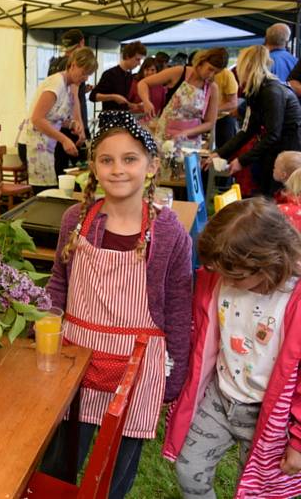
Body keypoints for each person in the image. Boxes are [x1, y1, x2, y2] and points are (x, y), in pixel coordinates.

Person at [39, 110, 193, 499]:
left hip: (137, 369)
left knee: (114, 471)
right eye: (106, 160)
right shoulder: (77, 219)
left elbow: (177, 306)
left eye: (130, 159)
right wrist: (43, 325)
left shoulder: (168, 230)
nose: (118, 169)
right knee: (59, 460)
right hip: (76, 355)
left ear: (152, 165)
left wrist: (175, 375)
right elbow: (60, 281)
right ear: (93, 166)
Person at [164, 198, 301, 499]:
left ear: (271, 261)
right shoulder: (217, 280)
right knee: (189, 471)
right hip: (220, 398)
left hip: (271, 418)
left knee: (259, 493)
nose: (225, 279)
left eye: (236, 274)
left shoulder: (294, 301)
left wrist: (298, 442)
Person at [211, 45, 301, 197]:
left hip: (288, 156)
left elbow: (273, 135)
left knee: (276, 199)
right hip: (276, 153)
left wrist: (241, 161)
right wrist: (219, 153)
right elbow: (246, 130)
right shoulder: (258, 91)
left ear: (245, 67)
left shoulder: (271, 92)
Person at [22, 47, 97, 189]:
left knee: (53, 191)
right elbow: (37, 119)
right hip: (34, 143)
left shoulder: (68, 86)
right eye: (84, 73)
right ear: (73, 65)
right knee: (45, 194)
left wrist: (72, 125)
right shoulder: (56, 83)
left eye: (88, 75)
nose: (85, 78)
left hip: (47, 144)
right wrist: (64, 139)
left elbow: (54, 117)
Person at [138, 47, 225, 151]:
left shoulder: (212, 87)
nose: (211, 75)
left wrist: (186, 133)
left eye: (216, 72)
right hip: (165, 135)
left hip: (190, 141)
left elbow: (210, 123)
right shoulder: (179, 72)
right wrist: (146, 101)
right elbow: (143, 83)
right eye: (210, 69)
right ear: (201, 61)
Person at [89, 41, 147, 111]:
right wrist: (113, 97)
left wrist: (133, 105)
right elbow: (93, 96)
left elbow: (123, 102)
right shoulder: (110, 74)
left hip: (123, 118)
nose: (139, 64)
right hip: (110, 119)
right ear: (128, 56)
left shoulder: (129, 76)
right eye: (137, 59)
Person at [213, 66, 240, 147]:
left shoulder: (226, 74)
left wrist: (212, 110)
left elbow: (233, 103)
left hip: (223, 119)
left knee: (225, 153)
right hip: (203, 121)